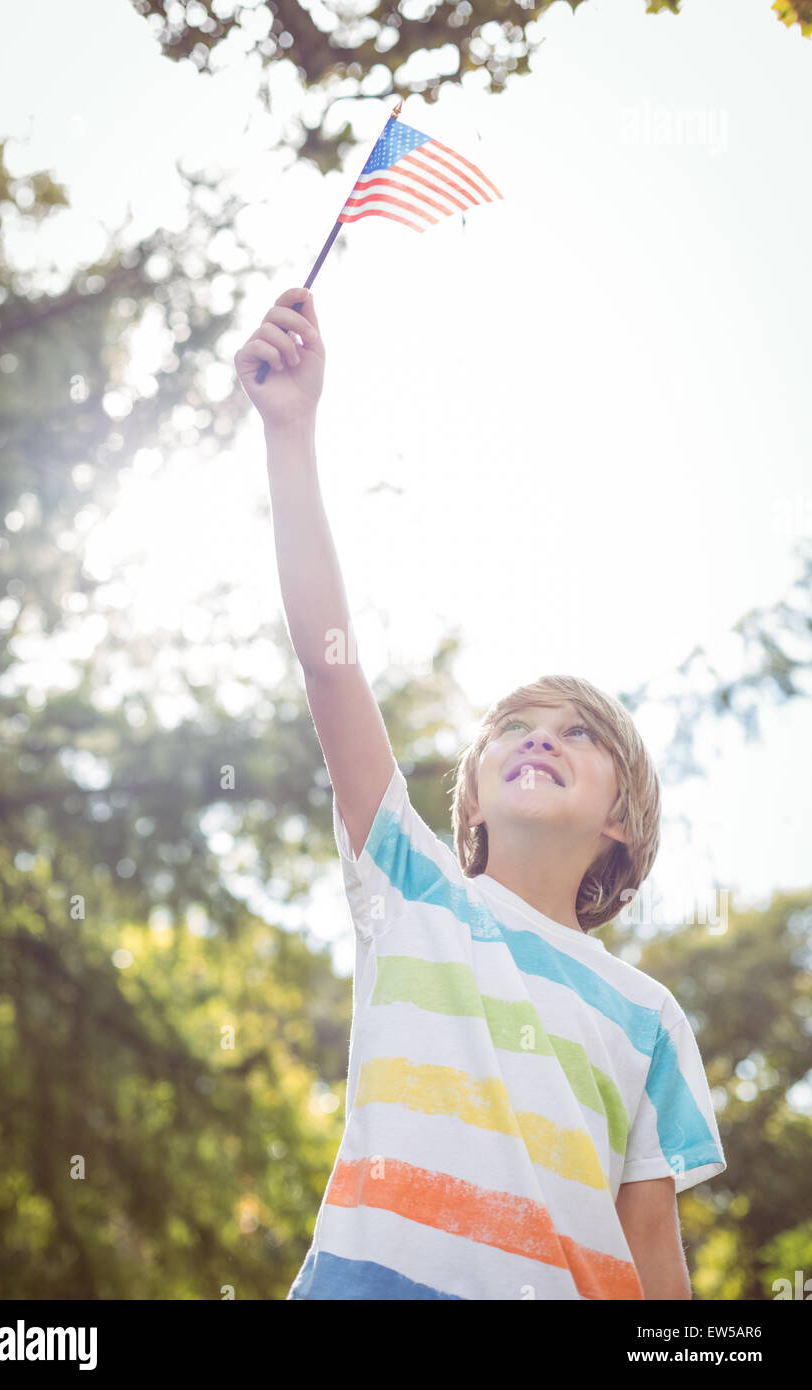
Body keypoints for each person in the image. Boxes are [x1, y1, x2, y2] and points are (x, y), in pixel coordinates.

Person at [234, 288, 726, 1300]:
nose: (538, 736)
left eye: (577, 735)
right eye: (511, 726)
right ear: (466, 807)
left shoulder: (646, 1018)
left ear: (620, 823)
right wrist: (290, 431)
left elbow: (651, 1257)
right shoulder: (412, 888)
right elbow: (330, 666)